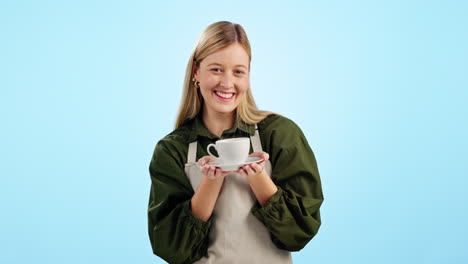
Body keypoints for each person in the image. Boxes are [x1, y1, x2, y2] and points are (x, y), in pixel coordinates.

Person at [147, 21, 324, 264]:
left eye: (238, 71)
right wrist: (210, 182)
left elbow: (299, 234)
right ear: (196, 72)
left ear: (249, 75)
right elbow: (170, 249)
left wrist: (258, 177)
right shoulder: (173, 150)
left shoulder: (280, 134)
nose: (227, 83)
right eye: (216, 69)